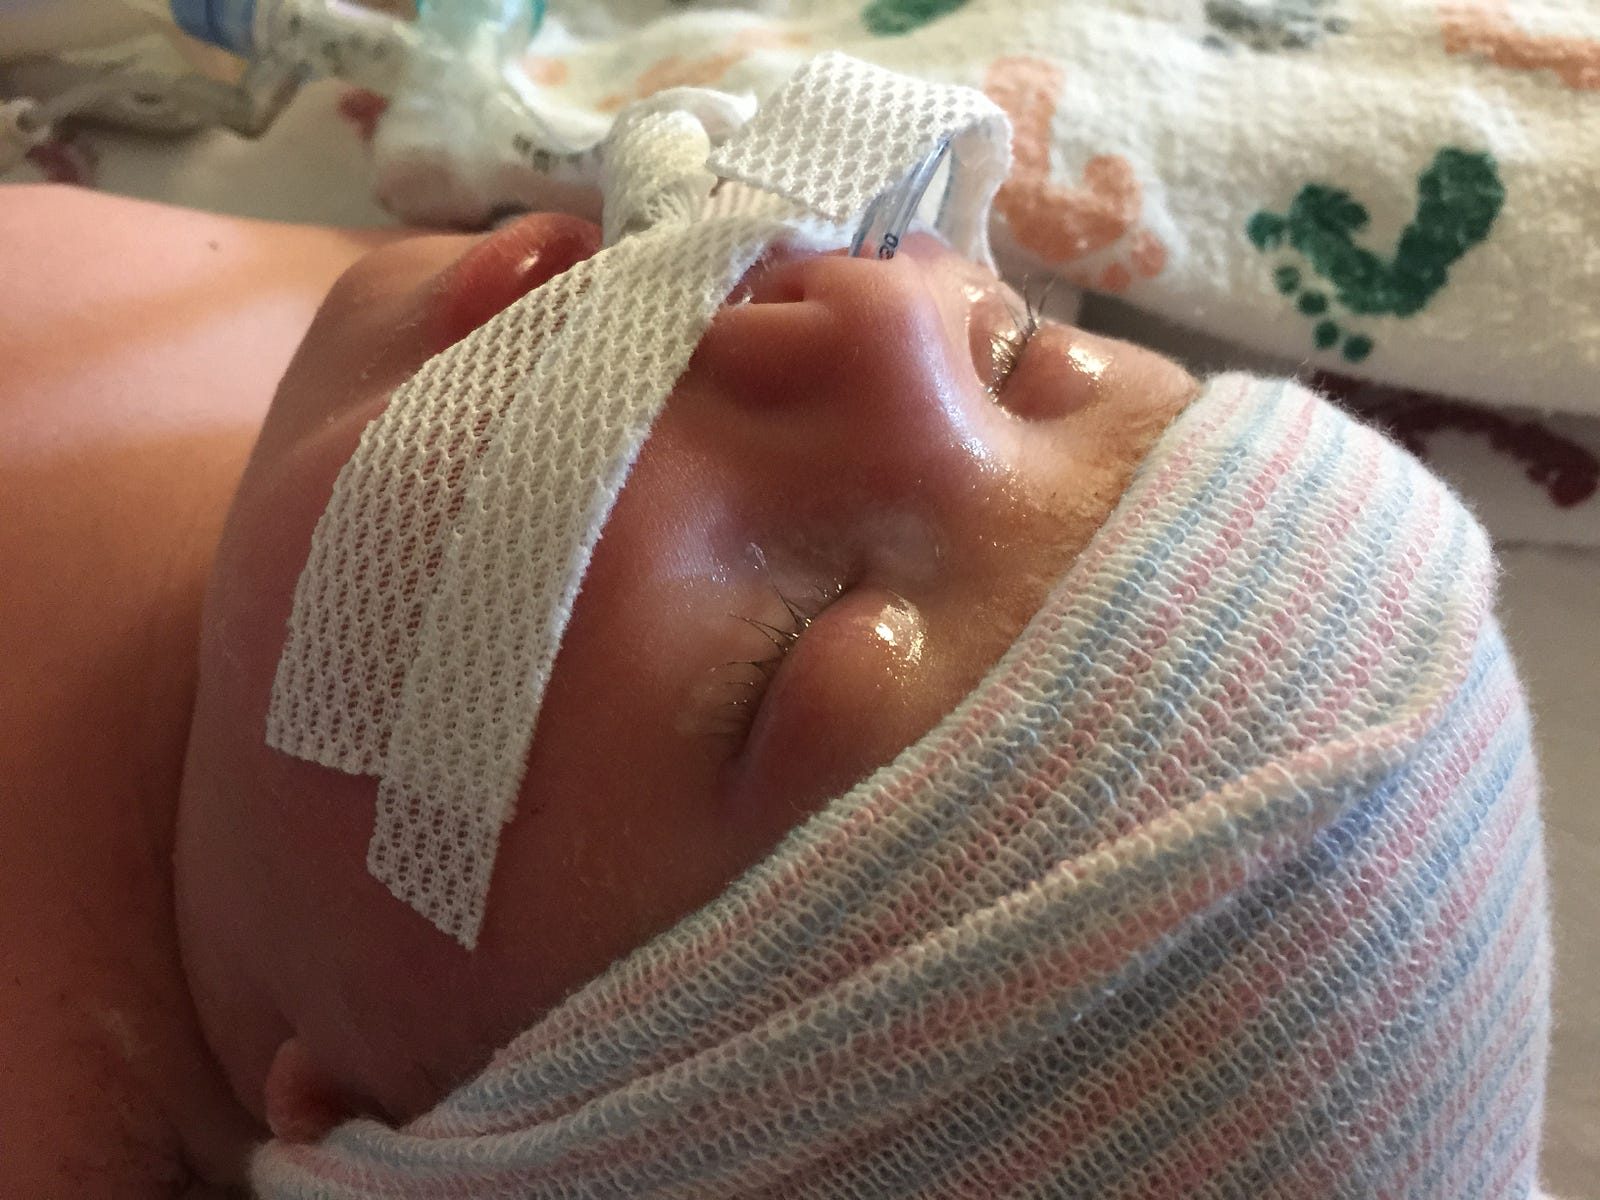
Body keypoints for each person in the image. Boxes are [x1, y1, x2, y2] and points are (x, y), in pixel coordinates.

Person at [0, 63, 1551, 1199]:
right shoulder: (408, 363)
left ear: (390, 1113)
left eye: (794, 640)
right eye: (1014, 360)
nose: (880, 325)